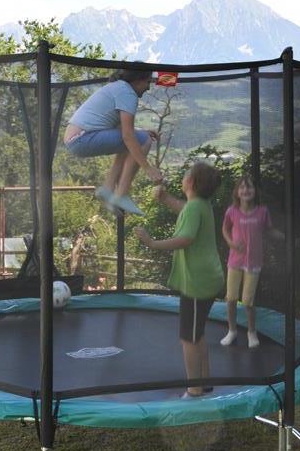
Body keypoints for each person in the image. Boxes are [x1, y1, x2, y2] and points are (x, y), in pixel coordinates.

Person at [134, 161, 224, 397]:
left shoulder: (195, 207)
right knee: (197, 333)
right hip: (208, 277)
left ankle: (194, 390)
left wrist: (151, 242)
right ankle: (204, 381)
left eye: (186, 174)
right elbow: (185, 209)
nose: (183, 177)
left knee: (188, 338)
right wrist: (165, 198)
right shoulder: (200, 204)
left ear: (191, 182)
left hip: (197, 282)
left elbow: (185, 239)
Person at [63, 65, 163, 216]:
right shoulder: (128, 93)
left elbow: (123, 130)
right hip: (83, 138)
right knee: (144, 140)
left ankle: (108, 189)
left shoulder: (119, 87)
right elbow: (128, 136)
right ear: (138, 80)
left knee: (135, 141)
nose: (148, 87)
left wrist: (141, 132)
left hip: (77, 138)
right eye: (148, 82)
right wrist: (148, 168)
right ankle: (121, 194)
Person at [221, 175, 280, 349]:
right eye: (242, 187)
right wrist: (231, 243)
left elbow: (270, 230)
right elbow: (225, 229)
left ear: (255, 191)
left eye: (249, 187)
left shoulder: (262, 211)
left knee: (248, 301)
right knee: (231, 298)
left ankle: (251, 332)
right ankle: (232, 331)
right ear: (237, 192)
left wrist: (286, 237)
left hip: (254, 262)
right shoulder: (232, 211)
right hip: (235, 261)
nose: (246, 190)